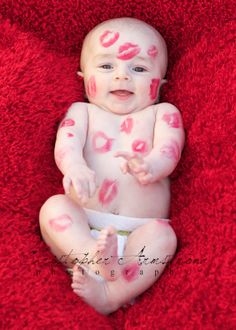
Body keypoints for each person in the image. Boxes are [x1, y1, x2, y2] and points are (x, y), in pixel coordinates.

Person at [39, 17, 185, 314]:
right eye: (107, 66)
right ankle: (92, 258)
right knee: (53, 207)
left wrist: (152, 165)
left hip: (138, 237)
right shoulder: (82, 111)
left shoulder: (162, 113)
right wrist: (75, 167)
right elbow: (66, 143)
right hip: (82, 229)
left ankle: (112, 293)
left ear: (161, 83)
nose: (122, 76)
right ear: (83, 76)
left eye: (139, 68)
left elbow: (170, 149)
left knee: (164, 236)